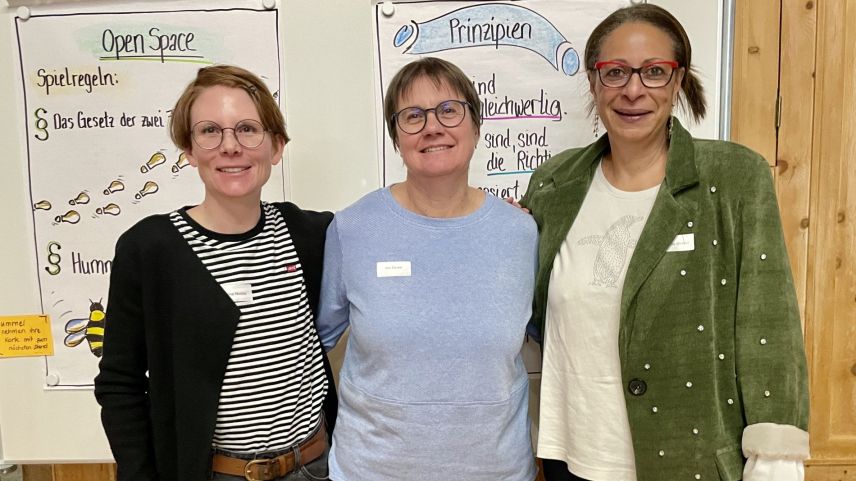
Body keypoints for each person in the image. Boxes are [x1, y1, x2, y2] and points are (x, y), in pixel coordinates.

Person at [520, 5, 809, 481]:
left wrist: (775, 463)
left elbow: (767, 324)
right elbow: (533, 314)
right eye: (615, 73)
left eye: (654, 72)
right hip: (570, 455)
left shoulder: (733, 178)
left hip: (686, 457)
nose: (633, 90)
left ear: (677, 83)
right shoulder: (554, 184)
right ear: (594, 83)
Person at [94, 65, 337, 481]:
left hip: (318, 466)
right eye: (209, 131)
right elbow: (121, 383)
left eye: (247, 129)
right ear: (189, 149)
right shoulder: (150, 248)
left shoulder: (312, 235)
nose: (230, 147)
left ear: (276, 146)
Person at [315, 57, 538, 481]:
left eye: (449, 110)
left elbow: (555, 337)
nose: (432, 127)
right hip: (373, 471)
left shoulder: (520, 232)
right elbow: (311, 348)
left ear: (476, 124)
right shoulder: (352, 229)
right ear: (396, 137)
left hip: (496, 471)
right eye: (412, 116)